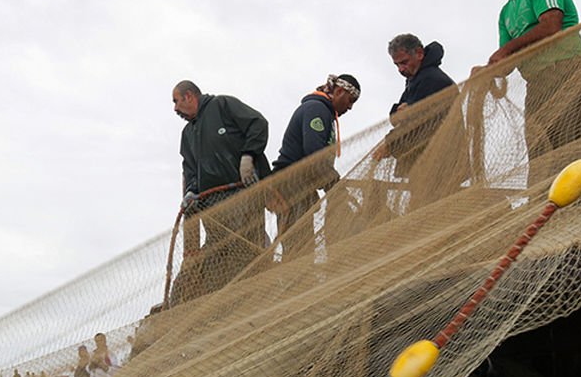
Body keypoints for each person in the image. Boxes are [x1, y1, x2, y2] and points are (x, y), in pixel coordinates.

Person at [475, 0, 581, 185]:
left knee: (574, 147)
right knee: (541, 153)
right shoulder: (505, 13)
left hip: (567, 70)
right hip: (536, 85)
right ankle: (545, 213)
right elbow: (508, 63)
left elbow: (552, 26)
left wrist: (507, 49)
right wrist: (487, 71)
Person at [173, 80, 271, 296]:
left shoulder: (223, 105)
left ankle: (250, 298)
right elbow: (190, 168)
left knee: (245, 248)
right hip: (212, 205)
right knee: (216, 257)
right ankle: (220, 304)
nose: (175, 109)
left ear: (189, 96)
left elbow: (258, 124)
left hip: (243, 194)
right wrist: (191, 190)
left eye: (176, 101)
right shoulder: (187, 134)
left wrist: (249, 156)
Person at [270, 74, 360, 256]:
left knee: (301, 245)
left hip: (300, 185)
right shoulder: (316, 109)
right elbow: (314, 155)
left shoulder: (324, 112)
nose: (350, 107)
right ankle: (295, 283)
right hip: (291, 185)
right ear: (339, 91)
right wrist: (335, 188)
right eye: (350, 101)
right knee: (299, 246)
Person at [374, 35, 466, 208]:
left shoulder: (432, 80)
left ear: (419, 54)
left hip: (440, 165)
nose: (401, 69)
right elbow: (398, 115)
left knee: (432, 211)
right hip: (425, 164)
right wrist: (400, 114)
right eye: (397, 65)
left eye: (404, 62)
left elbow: (420, 123)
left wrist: (391, 144)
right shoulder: (414, 79)